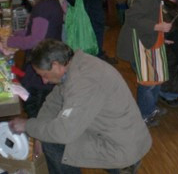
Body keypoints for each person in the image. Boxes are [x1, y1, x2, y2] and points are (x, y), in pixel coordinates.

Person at [9, 39, 151, 174]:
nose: (44, 81)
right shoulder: (74, 65)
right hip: (113, 134)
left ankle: (123, 167)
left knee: (53, 141)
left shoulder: (84, 81)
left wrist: (29, 125)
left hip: (120, 147)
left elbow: (63, 133)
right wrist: (38, 134)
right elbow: (52, 104)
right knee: (48, 133)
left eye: (44, 75)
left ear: (56, 65)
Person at [0, 0, 63, 119]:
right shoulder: (50, 3)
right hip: (47, 59)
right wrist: (14, 35)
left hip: (42, 66)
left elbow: (35, 40)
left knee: (37, 109)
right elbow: (32, 31)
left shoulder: (43, 8)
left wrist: (11, 41)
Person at [116, 0, 172, 127]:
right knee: (147, 82)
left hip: (148, 40)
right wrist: (158, 26)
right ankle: (145, 114)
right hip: (139, 43)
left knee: (155, 78)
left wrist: (161, 35)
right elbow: (133, 18)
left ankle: (151, 107)